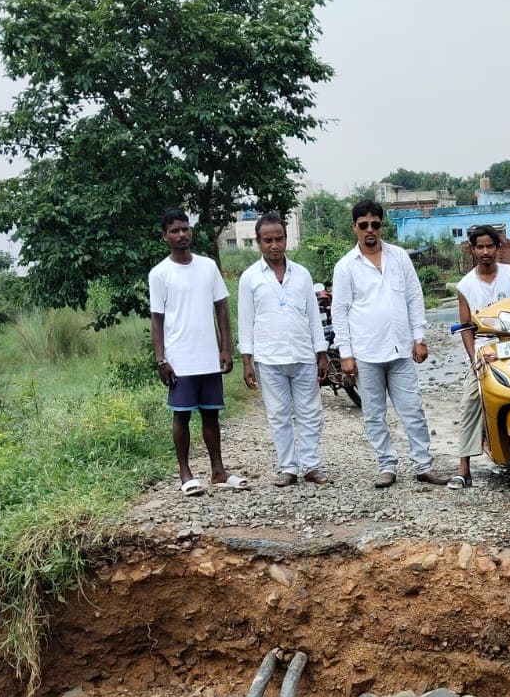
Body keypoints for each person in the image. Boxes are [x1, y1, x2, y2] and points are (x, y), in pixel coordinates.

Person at [332, 199, 450, 489]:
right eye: (363, 225)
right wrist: (346, 354)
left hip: (400, 350)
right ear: (355, 227)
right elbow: (340, 311)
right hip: (366, 353)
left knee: (413, 410)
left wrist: (419, 338)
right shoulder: (346, 266)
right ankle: (386, 466)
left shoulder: (399, 258)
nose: (370, 230)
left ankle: (424, 465)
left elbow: (414, 297)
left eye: (375, 224)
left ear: (381, 225)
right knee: (374, 414)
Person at [149, 208, 243, 495]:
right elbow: (157, 319)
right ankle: (185, 474)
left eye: (185, 229)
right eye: (175, 231)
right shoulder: (160, 273)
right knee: (182, 416)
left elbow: (221, 307)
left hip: (208, 356)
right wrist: (161, 359)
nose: (182, 235)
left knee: (211, 414)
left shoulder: (207, 266)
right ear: (165, 236)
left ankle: (218, 471)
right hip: (179, 359)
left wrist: (225, 348)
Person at [238, 212, 333, 487]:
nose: (274, 245)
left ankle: (311, 465)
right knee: (278, 414)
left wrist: (322, 352)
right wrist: (247, 361)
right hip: (269, 358)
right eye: (268, 240)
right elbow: (245, 321)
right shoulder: (250, 278)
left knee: (310, 412)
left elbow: (313, 316)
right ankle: (288, 468)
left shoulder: (301, 274)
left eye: (279, 239)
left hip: (303, 354)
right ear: (258, 242)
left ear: (286, 238)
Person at [453, 224, 510, 487]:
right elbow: (465, 327)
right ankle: (464, 468)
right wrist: (474, 357)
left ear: (498, 248)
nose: (485, 251)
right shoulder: (465, 285)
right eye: (480, 247)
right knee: (471, 400)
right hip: (485, 350)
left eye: (489, 246)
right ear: (472, 250)